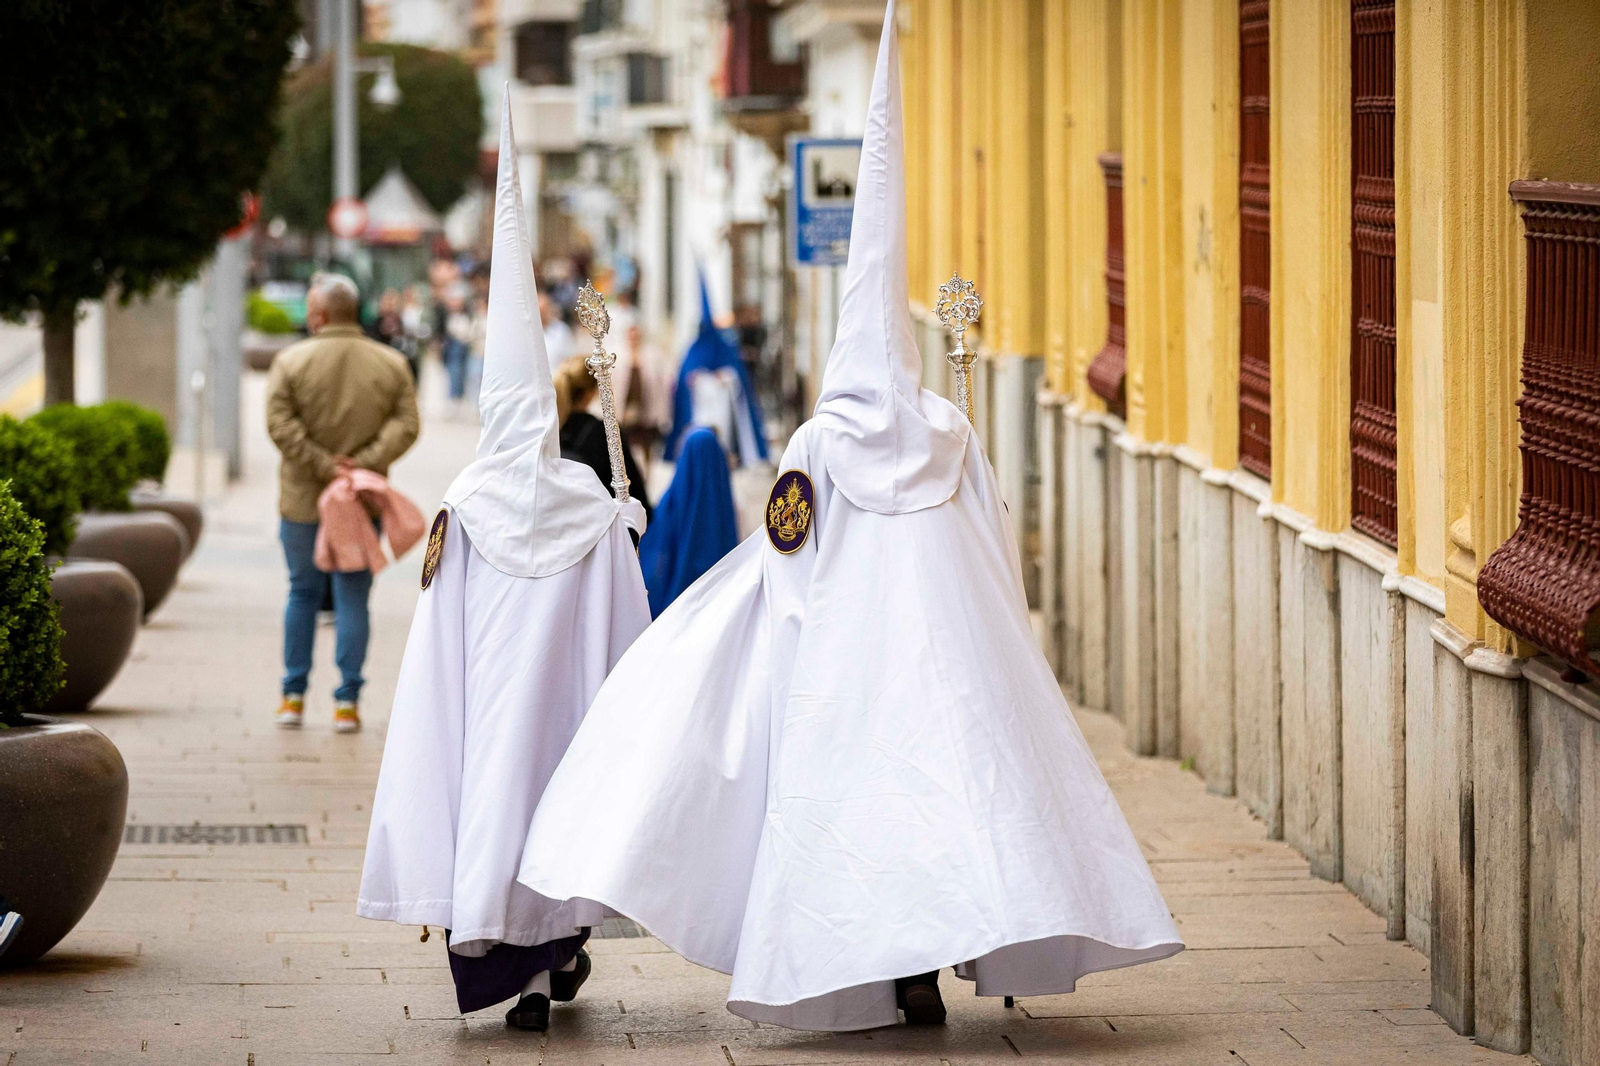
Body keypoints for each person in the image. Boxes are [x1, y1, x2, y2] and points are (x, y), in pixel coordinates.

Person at [518, 2, 1182, 1033]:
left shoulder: (819, 443)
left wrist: (770, 649)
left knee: (867, 822)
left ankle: (898, 971)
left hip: (849, 662)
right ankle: (937, 962)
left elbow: (788, 562)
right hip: (951, 659)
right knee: (959, 805)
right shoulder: (946, 431)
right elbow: (992, 542)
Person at [357, 95, 651, 1035]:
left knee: (496, 819)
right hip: (563, 711)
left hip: (488, 712)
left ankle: (521, 975)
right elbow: (628, 621)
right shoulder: (588, 504)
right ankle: (549, 965)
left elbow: (437, 636)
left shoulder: (465, 503)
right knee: (558, 818)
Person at [266, 272, 419, 733]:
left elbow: (280, 424)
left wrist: (322, 464)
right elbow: (407, 424)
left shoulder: (291, 362)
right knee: (354, 597)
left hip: (303, 500)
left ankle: (293, 697)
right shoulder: (391, 364)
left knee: (302, 592)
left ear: (318, 316)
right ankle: (347, 703)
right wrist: (363, 464)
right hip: (362, 501)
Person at [664, 272, 768, 468]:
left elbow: (736, 376)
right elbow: (686, 380)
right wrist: (700, 380)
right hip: (701, 407)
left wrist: (723, 378)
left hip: (721, 407)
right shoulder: (693, 350)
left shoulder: (726, 348)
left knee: (720, 438)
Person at [637, 426, 737, 618]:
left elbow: (655, 555)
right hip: (721, 609)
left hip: (678, 612)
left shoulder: (671, 503)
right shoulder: (728, 504)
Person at [552, 356, 652, 525]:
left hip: (557, 523)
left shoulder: (549, 428)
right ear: (590, 393)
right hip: (598, 526)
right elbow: (635, 494)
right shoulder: (606, 431)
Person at [540, 291, 575, 374]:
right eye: (540, 312)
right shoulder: (529, 335)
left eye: (544, 311)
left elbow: (571, 358)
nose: (542, 315)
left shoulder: (562, 330)